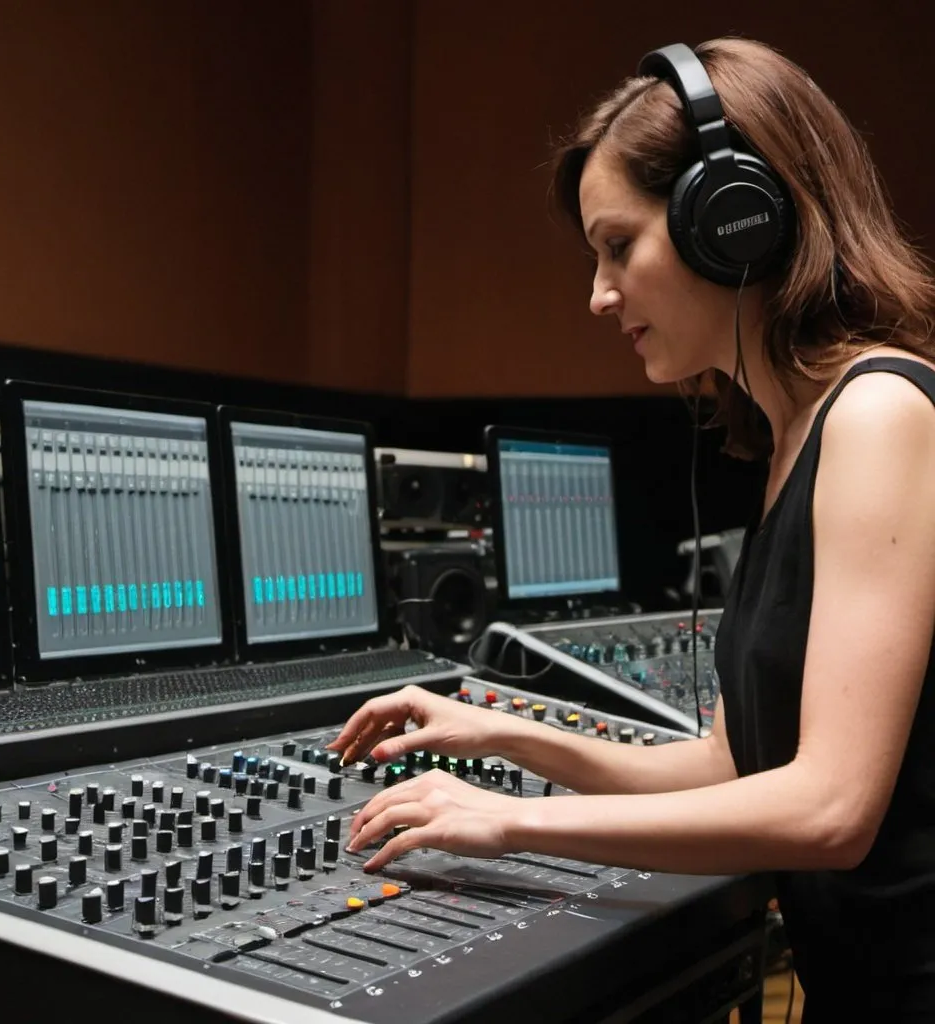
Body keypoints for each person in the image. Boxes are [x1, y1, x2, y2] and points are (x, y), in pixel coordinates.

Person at [327, 37, 935, 1019]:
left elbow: (830, 810)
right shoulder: (794, 440)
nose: (599, 293)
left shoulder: (878, 415)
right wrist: (505, 734)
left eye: (619, 245)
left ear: (732, 222)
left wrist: (512, 825)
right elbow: (727, 766)